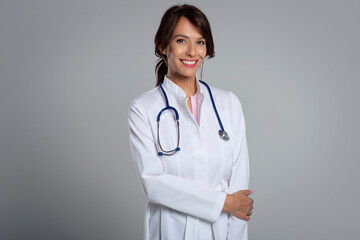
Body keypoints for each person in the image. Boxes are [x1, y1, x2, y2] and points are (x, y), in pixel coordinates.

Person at [128, 4, 253, 240]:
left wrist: (232, 210)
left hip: (221, 232)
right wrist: (223, 203)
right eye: (181, 41)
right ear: (163, 46)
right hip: (170, 230)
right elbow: (154, 183)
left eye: (200, 42)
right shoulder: (143, 109)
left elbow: (240, 197)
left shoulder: (228, 104)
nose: (192, 52)